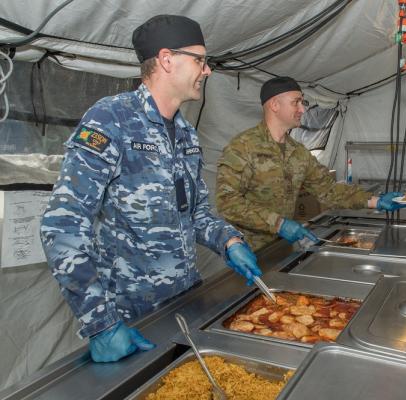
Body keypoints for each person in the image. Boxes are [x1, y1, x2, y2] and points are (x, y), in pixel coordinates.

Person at [40, 15, 262, 363]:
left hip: (187, 302)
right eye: (200, 60)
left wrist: (229, 241)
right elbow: (62, 224)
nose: (208, 71)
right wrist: (101, 324)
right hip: (132, 318)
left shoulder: (187, 134)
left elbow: (197, 212)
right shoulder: (111, 119)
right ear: (166, 59)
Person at [216, 76, 406, 250]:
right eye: (296, 102)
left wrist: (375, 201)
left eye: (302, 102)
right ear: (275, 104)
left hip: (281, 247)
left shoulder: (298, 152)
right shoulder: (243, 147)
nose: (302, 109)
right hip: (246, 252)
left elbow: (328, 190)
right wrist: (278, 223)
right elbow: (227, 203)